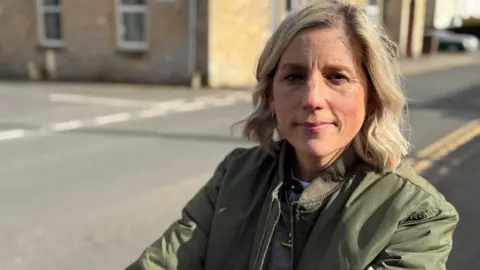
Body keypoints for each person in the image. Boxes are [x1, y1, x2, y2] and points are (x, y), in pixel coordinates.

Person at [126, 1, 459, 269]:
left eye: (337, 77)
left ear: (370, 95)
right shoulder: (234, 177)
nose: (312, 99)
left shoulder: (414, 212)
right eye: (294, 76)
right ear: (270, 93)